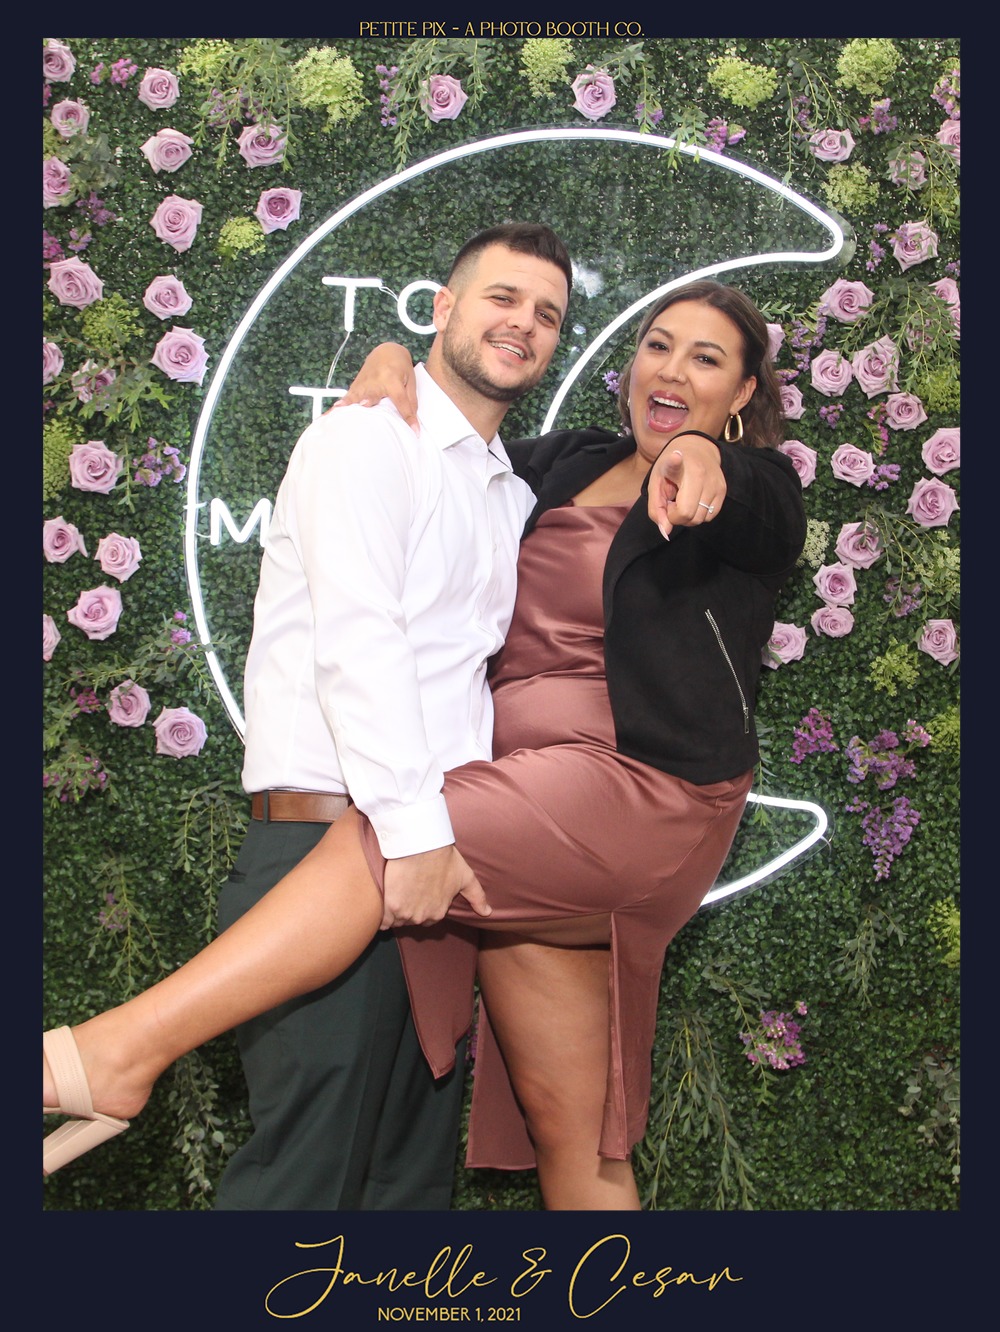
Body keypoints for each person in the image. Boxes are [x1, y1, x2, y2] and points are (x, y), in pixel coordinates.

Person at [43, 279, 806, 1211]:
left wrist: (702, 453)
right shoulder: (563, 463)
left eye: (707, 359)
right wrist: (392, 362)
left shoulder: (758, 488)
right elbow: (451, 440)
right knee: (575, 1136)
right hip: (527, 808)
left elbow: (758, 503)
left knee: (397, 834)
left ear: (743, 392)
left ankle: (118, 1053)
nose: (673, 370)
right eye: (659, 345)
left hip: (637, 791)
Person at [42, 222, 573, 1210]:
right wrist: (416, 836)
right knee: (300, 1191)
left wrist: (439, 846)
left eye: (547, 314)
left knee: (402, 1194)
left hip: (435, 871)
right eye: (503, 298)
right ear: (444, 308)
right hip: (331, 852)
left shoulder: (508, 493)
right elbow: (359, 641)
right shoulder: (365, 440)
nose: (524, 323)